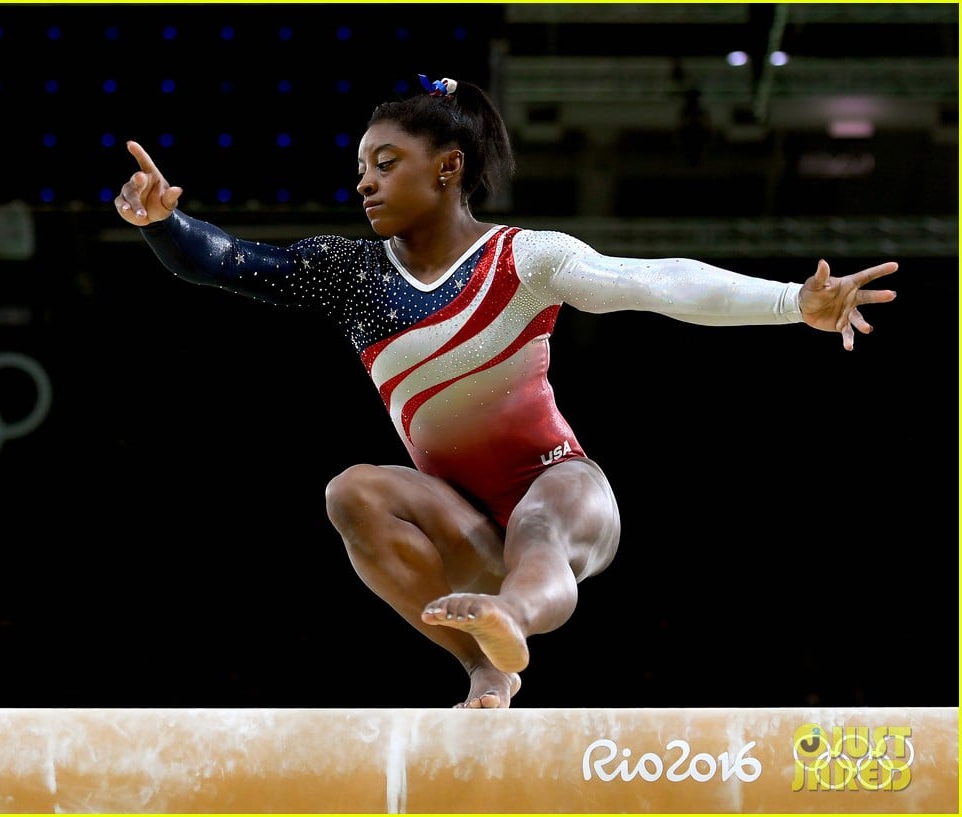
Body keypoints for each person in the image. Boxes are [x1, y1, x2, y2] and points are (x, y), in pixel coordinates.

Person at [113, 75, 897, 709]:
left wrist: (793, 300)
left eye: (385, 163)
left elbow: (654, 283)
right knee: (351, 491)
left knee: (541, 524)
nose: (364, 182)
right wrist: (164, 226)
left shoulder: (526, 260)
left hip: (560, 486)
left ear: (447, 166)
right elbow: (229, 261)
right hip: (459, 523)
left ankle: (510, 622)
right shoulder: (351, 274)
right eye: (360, 167)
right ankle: (486, 663)